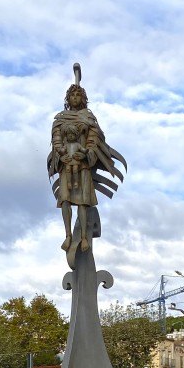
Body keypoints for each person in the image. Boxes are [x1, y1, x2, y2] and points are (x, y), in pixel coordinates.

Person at [47, 82, 127, 253]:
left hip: (82, 166)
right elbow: (56, 140)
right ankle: (68, 235)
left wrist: (85, 154)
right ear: (68, 99)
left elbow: (94, 139)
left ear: (83, 99)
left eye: (78, 95)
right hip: (66, 165)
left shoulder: (88, 118)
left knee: (83, 203)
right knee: (66, 201)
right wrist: (62, 153)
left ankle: (84, 237)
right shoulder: (60, 119)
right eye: (72, 96)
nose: (75, 98)